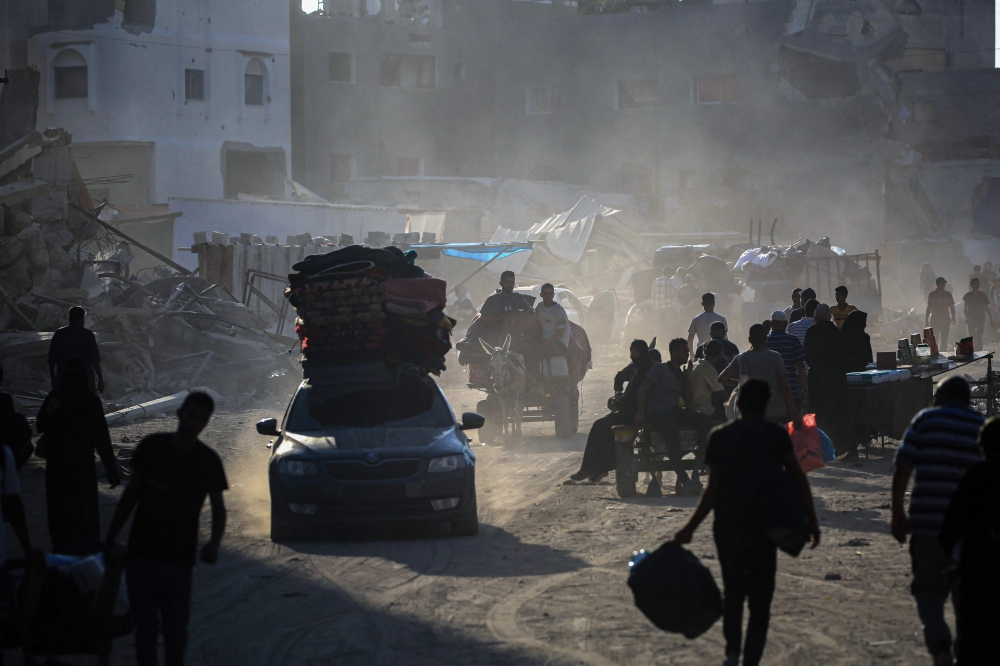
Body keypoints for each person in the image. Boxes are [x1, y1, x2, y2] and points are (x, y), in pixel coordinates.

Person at [673, 379, 820, 666]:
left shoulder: (719, 435)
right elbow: (799, 477)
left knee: (734, 592)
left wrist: (690, 528)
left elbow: (712, 490)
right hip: (765, 526)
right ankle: (751, 659)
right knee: (761, 598)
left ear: (737, 404)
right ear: (766, 405)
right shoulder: (774, 434)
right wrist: (811, 520)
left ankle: (732, 653)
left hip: (728, 525)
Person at [105, 392, 228, 666]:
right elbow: (130, 497)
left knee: (174, 632)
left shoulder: (208, 461)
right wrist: (111, 538)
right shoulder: (152, 448)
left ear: (206, 423)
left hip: (178, 560)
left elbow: (219, 508)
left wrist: (214, 544)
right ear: (179, 412)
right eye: (191, 414)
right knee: (146, 631)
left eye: (200, 419)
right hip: (141, 557)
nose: (193, 422)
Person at [891, 377, 984, 666]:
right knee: (966, 596)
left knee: (928, 590)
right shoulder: (980, 426)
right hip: (969, 531)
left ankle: (939, 643)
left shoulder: (925, 420)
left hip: (928, 524)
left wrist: (897, 512)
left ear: (940, 396)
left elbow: (903, 467)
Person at [35, 359, 120, 554]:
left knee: (60, 513)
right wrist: (111, 472)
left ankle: (63, 550)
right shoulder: (90, 401)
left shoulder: (56, 398)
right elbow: (102, 440)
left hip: (58, 467)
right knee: (85, 513)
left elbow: (40, 425)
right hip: (82, 466)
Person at [939, 416, 1000, 664]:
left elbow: (950, 527)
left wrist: (954, 563)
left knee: (973, 639)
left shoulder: (976, 476)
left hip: (977, 573)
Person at [568, 340, 654, 483]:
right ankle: (596, 469)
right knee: (602, 426)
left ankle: (591, 469)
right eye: (631, 351)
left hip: (634, 413)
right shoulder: (639, 367)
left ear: (641, 352)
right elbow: (621, 379)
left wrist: (617, 402)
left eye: (634, 351)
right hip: (631, 411)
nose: (632, 354)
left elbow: (635, 397)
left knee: (600, 426)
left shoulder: (643, 370)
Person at [636, 338, 713, 495]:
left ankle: (700, 465)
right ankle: (686, 481)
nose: (687, 354)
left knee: (704, 420)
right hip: (659, 414)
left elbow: (688, 401)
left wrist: (687, 378)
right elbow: (643, 389)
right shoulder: (659, 368)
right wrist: (641, 412)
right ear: (674, 353)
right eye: (684, 351)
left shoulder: (681, 375)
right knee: (673, 441)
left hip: (674, 411)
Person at [719, 324, 802, 427]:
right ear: (766, 339)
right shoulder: (775, 357)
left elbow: (722, 378)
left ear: (749, 340)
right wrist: (794, 413)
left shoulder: (741, 358)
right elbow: (783, 386)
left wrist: (739, 383)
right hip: (774, 412)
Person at [804, 304, 852, 460]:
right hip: (836, 377)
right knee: (835, 411)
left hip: (817, 376)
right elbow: (844, 354)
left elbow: (807, 354)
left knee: (817, 411)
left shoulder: (812, 332)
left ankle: (817, 447)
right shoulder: (836, 331)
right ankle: (838, 446)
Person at [48, 306, 104, 393]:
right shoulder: (87, 335)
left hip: (64, 380)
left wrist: (53, 378)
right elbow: (95, 360)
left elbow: (51, 360)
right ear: (82, 319)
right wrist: (100, 379)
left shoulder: (59, 334)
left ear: (70, 318)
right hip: (84, 380)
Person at [765, 311, 808, 411]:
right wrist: (805, 389)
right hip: (792, 391)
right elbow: (800, 366)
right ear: (786, 324)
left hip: (770, 394)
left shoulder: (765, 341)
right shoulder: (793, 340)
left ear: (771, 324)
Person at [691, 340, 727, 419]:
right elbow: (722, 393)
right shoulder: (708, 368)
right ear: (720, 354)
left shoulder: (694, 365)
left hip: (691, 408)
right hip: (704, 410)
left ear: (704, 351)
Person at [534, 283, 570, 358]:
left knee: (544, 350)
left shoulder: (558, 310)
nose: (548, 296)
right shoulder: (540, 307)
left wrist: (544, 343)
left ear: (553, 295)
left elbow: (559, 334)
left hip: (559, 342)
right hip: (545, 340)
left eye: (550, 294)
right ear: (541, 295)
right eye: (546, 293)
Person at [962, 277, 993, 351]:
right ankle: (972, 351)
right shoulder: (968, 295)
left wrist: (991, 319)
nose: (976, 285)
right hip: (971, 318)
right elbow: (965, 308)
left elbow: (986, 308)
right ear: (971, 285)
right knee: (972, 336)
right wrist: (967, 317)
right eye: (975, 284)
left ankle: (979, 351)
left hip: (980, 318)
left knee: (979, 335)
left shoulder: (982, 295)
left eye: (977, 284)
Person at [926, 277, 957, 351]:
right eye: (942, 283)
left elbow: (951, 307)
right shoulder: (932, 294)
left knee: (944, 340)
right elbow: (929, 308)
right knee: (934, 339)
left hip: (945, 321)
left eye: (944, 283)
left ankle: (943, 354)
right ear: (937, 284)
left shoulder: (948, 294)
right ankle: (935, 353)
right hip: (934, 320)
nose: (943, 285)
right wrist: (926, 320)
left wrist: (953, 317)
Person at [652, 267, 673, 342]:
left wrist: (654, 306)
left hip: (657, 307)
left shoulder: (655, 281)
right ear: (668, 273)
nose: (671, 274)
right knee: (668, 325)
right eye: (671, 273)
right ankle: (667, 341)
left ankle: (658, 342)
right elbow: (673, 293)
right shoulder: (669, 281)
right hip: (667, 306)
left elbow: (653, 295)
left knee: (658, 326)